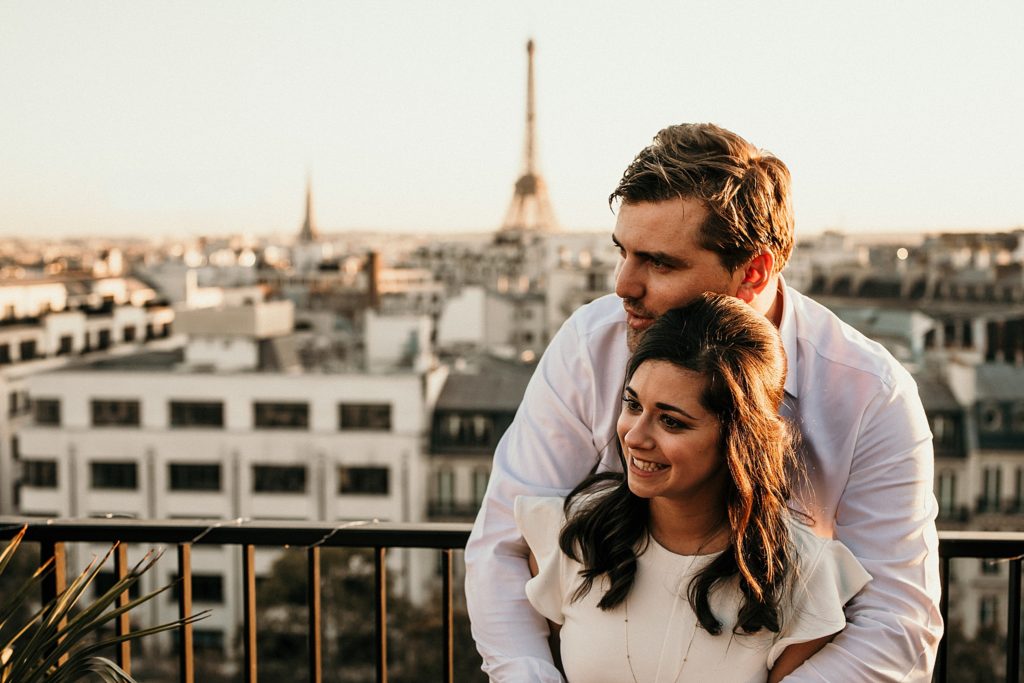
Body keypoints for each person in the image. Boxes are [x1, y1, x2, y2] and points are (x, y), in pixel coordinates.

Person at [465, 122, 942, 681]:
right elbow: (502, 547)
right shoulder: (590, 342)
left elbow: (896, 620)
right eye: (623, 252)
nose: (623, 284)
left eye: (660, 263)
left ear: (754, 271)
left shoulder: (870, 393)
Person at [515, 294, 871, 682]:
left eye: (671, 421)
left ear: (739, 440)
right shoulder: (574, 537)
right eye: (632, 405)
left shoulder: (803, 577)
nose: (634, 436)